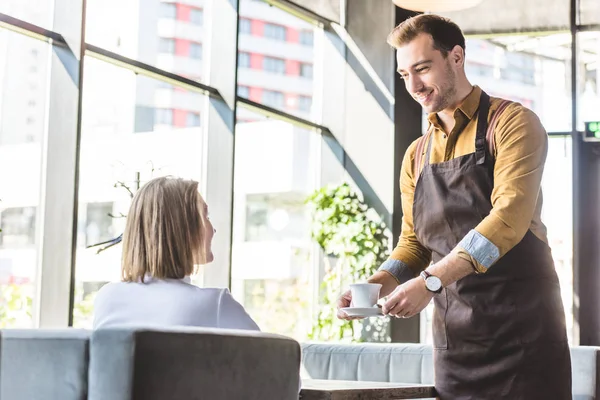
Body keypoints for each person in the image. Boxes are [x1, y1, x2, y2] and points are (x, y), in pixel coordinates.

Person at [337, 14, 571, 399]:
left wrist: (430, 282)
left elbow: (508, 220)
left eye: (422, 68)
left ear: (456, 57)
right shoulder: (416, 154)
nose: (413, 85)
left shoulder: (512, 123)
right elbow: (413, 244)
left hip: (526, 340)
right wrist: (375, 286)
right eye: (403, 74)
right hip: (457, 347)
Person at [93, 176, 259, 331]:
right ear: (183, 228)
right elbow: (275, 358)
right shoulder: (216, 304)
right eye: (206, 216)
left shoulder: (107, 298)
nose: (213, 229)